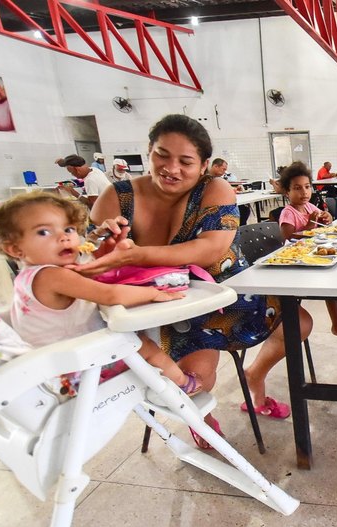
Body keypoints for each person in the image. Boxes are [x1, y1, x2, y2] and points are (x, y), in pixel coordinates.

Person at [71, 114, 313, 447]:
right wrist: (106, 243)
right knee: (197, 379)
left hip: (228, 293)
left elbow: (211, 249)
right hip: (170, 308)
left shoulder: (216, 188)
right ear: (148, 151)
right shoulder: (118, 196)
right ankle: (200, 418)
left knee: (299, 322)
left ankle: (254, 375)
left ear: (202, 167)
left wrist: (137, 254)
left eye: (185, 161)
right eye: (162, 155)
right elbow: (88, 256)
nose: (171, 168)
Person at [0, 192, 201, 397]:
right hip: (76, 373)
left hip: (52, 366)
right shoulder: (51, 275)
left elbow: (87, 266)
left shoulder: (27, 276)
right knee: (143, 345)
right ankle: (183, 384)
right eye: (44, 232)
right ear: (15, 250)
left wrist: (99, 240)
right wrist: (153, 293)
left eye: (69, 229)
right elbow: (109, 295)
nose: (64, 238)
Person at [278, 162, 337, 340]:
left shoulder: (309, 207)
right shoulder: (288, 212)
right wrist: (310, 224)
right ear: (287, 192)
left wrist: (327, 217)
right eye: (297, 188)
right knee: (331, 276)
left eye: (307, 187)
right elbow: (290, 238)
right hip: (297, 262)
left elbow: (325, 222)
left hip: (313, 254)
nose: (304, 192)